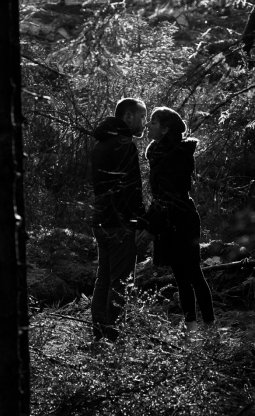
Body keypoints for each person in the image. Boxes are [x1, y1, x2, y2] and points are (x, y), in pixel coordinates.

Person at [137, 106, 215, 338]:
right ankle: (191, 329)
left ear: (165, 128)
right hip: (169, 218)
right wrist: (147, 223)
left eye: (153, 122)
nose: (149, 126)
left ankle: (211, 329)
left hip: (182, 219)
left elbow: (170, 195)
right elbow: (160, 197)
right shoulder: (158, 152)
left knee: (193, 273)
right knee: (181, 277)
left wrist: (151, 228)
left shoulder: (177, 154)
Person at [90, 97, 148, 342]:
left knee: (104, 279)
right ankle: (113, 338)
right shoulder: (124, 144)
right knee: (121, 282)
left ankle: (99, 335)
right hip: (120, 224)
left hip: (101, 221)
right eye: (142, 116)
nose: (144, 122)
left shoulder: (101, 144)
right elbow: (131, 190)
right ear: (128, 117)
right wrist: (140, 222)